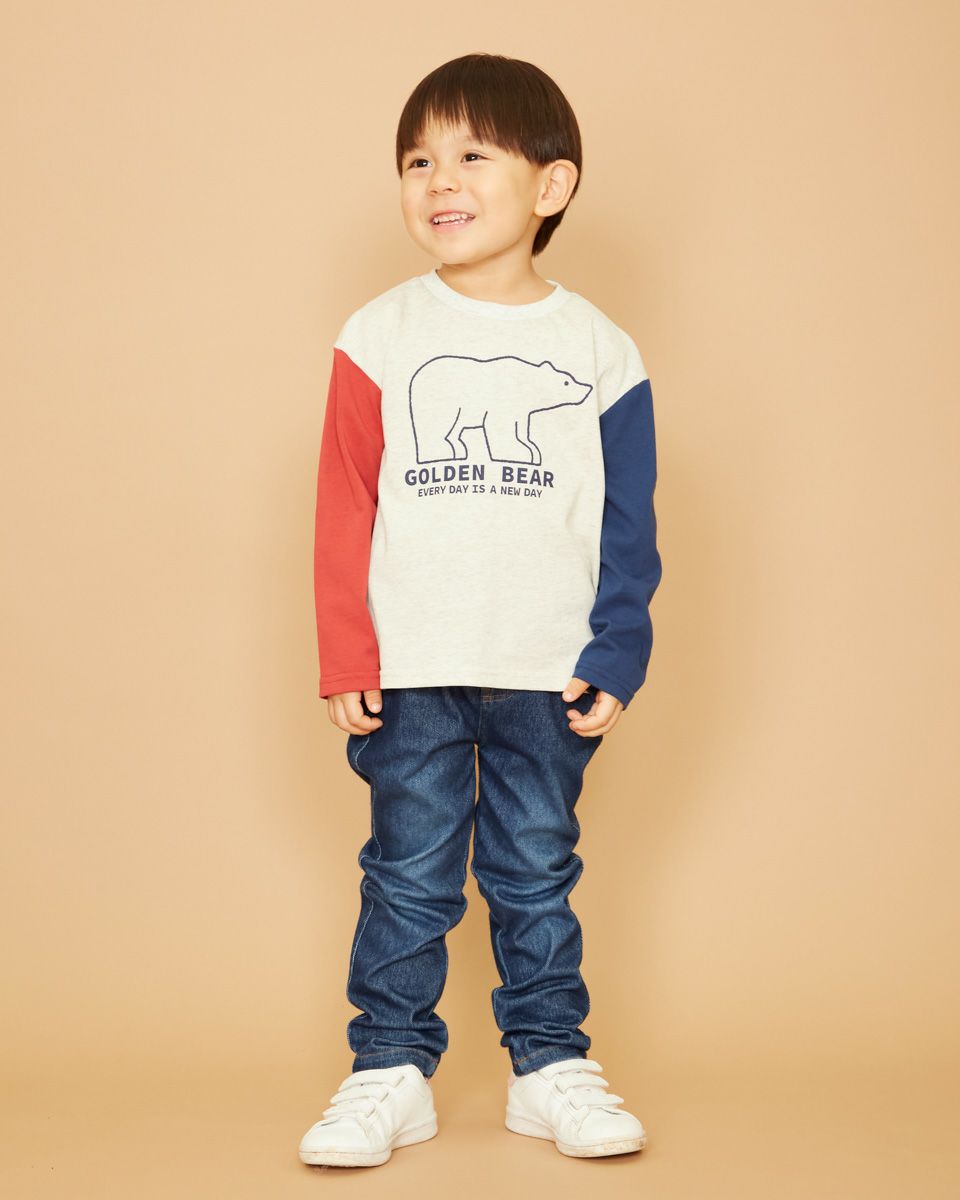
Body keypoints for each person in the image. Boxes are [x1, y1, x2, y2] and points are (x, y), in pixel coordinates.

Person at [299, 52, 662, 1169]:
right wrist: (346, 650)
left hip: (546, 668)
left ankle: (549, 1067)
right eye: (417, 161)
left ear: (551, 185)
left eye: (470, 155)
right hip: (411, 666)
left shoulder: (599, 351)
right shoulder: (378, 333)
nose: (439, 180)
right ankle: (389, 1070)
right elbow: (344, 501)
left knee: (535, 873)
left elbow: (630, 521)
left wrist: (618, 648)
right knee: (407, 876)